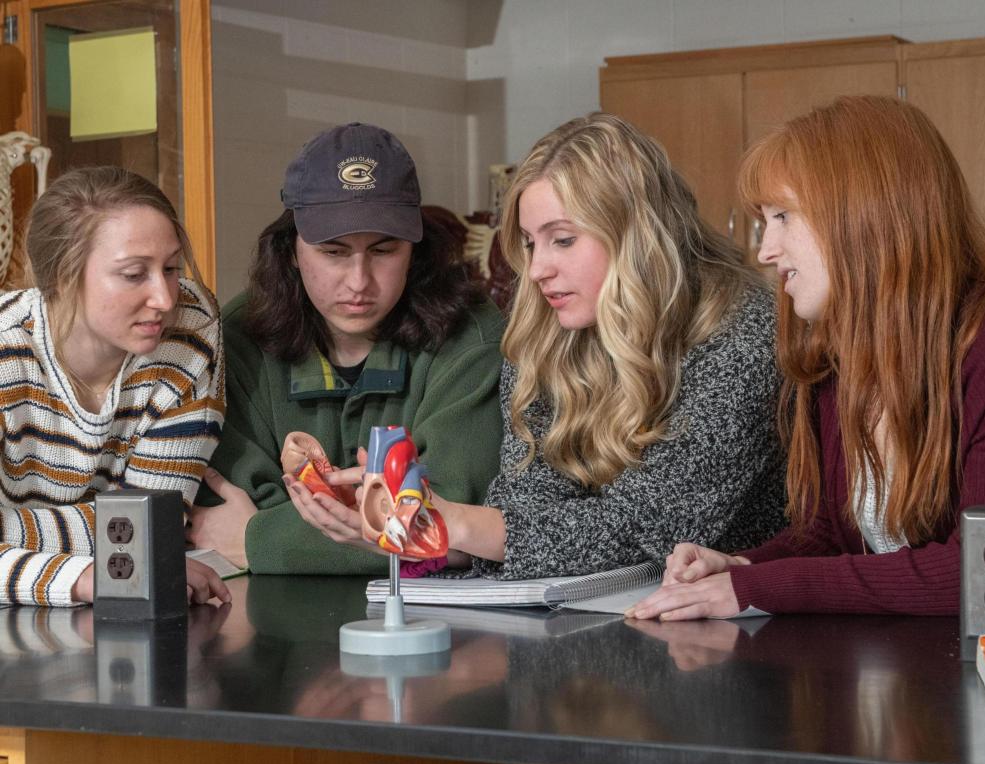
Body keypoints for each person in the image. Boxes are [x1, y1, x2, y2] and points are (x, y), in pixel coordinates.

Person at [628, 95, 985, 619]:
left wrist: (762, 588)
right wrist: (742, 568)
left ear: (864, 215)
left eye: (783, 216)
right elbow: (828, 537)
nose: (766, 250)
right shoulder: (839, 356)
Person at [300, 113, 787, 578]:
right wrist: (428, 530)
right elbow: (524, 508)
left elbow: (654, 529)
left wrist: (457, 524)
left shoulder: (743, 333)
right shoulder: (544, 334)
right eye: (531, 243)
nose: (537, 270)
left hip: (753, 635)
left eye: (563, 240)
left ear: (637, 235)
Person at [191, 122, 504, 573]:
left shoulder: (472, 334)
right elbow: (225, 507)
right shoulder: (239, 335)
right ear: (291, 250)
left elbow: (451, 526)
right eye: (333, 253)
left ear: (416, 249)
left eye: (384, 251)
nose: (359, 282)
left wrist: (261, 538)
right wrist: (389, 522)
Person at [0, 166, 229, 606]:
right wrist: (91, 574)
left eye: (171, 268)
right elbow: (130, 544)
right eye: (132, 274)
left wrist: (8, 532)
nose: (164, 299)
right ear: (62, 276)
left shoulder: (191, 329)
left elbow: (151, 528)